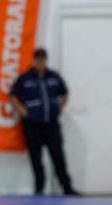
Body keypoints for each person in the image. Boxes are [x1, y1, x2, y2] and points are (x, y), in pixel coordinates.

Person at [9, 48, 79, 195]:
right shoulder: (24, 78)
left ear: (46, 60)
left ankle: (67, 188)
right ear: (34, 60)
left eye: (43, 59)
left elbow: (65, 93)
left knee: (58, 156)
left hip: (51, 124)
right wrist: (22, 111)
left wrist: (59, 107)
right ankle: (39, 189)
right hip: (32, 125)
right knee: (36, 158)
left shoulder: (54, 77)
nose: (40, 62)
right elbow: (13, 96)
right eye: (38, 59)